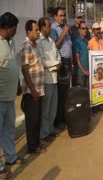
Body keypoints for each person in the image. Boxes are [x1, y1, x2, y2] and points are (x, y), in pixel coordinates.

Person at [0, 12, 26, 179]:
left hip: (9, 96)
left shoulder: (12, 41)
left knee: (9, 130)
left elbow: (14, 65)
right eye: (15, 28)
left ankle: (10, 157)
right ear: (7, 28)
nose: (16, 31)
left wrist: (17, 84)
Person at [21, 20, 46, 155]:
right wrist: (33, 90)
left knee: (37, 118)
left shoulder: (35, 46)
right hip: (32, 92)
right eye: (35, 30)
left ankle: (36, 143)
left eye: (38, 30)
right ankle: (32, 147)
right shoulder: (26, 46)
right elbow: (25, 70)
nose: (38, 32)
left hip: (38, 89)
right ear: (28, 32)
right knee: (32, 120)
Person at [37, 17, 61, 143]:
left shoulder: (51, 41)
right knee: (45, 109)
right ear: (41, 28)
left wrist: (58, 62)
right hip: (46, 79)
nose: (49, 28)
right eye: (47, 26)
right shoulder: (39, 42)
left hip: (54, 78)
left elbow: (57, 55)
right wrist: (55, 63)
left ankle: (50, 130)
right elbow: (42, 60)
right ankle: (44, 133)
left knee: (53, 107)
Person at [51, 7, 72, 128]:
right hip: (61, 62)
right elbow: (55, 46)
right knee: (60, 93)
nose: (63, 17)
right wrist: (64, 32)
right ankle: (58, 121)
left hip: (68, 61)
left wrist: (71, 63)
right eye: (60, 15)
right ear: (55, 17)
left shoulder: (65, 27)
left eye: (64, 15)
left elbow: (69, 45)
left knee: (66, 92)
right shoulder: (54, 29)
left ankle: (63, 117)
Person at [72, 21, 89, 88]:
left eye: (86, 28)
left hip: (87, 71)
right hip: (80, 73)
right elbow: (77, 59)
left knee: (87, 93)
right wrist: (83, 71)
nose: (85, 30)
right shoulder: (77, 41)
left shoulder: (86, 41)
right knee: (80, 93)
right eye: (83, 28)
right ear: (79, 30)